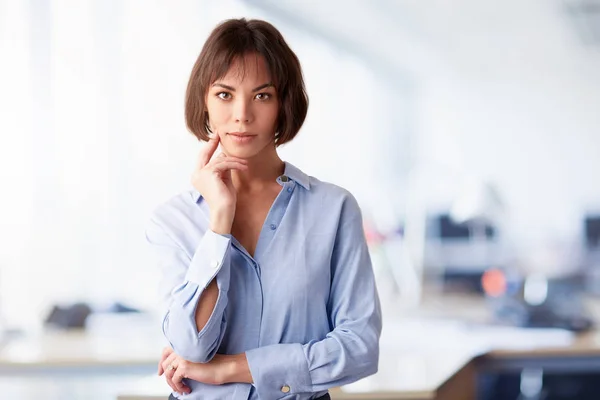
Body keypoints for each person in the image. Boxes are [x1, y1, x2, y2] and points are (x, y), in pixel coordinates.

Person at [145, 18, 382, 400]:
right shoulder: (172, 221)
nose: (241, 114)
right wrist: (219, 223)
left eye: (262, 95)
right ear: (204, 101)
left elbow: (360, 348)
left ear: (283, 103)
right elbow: (190, 349)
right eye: (224, 94)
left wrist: (233, 368)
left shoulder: (334, 210)